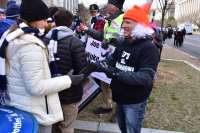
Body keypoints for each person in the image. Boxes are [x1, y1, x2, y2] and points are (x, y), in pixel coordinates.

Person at [0, 0, 84, 132]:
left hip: (19, 106)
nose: (46, 24)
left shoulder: (11, 37)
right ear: (33, 19)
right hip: (34, 113)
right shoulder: (29, 46)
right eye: (44, 19)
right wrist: (68, 80)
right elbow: (36, 87)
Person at [86, 4, 160, 133]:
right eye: (124, 21)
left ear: (139, 26)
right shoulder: (122, 43)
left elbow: (145, 78)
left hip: (135, 101)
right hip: (120, 97)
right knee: (123, 128)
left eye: (128, 22)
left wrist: (115, 73)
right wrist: (96, 65)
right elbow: (112, 60)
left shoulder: (149, 48)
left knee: (132, 130)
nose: (123, 25)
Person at [79, 0, 125, 115]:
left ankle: (120, 110)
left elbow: (124, 39)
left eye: (109, 3)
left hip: (119, 57)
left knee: (118, 84)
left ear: (115, 6)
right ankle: (107, 105)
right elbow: (101, 36)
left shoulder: (124, 19)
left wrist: (110, 41)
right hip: (108, 55)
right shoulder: (108, 19)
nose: (107, 5)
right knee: (104, 80)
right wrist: (87, 30)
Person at [44, 8, 87, 133]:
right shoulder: (75, 42)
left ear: (55, 22)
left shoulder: (44, 39)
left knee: (52, 125)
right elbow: (82, 70)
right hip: (70, 93)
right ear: (70, 23)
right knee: (67, 126)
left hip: (50, 90)